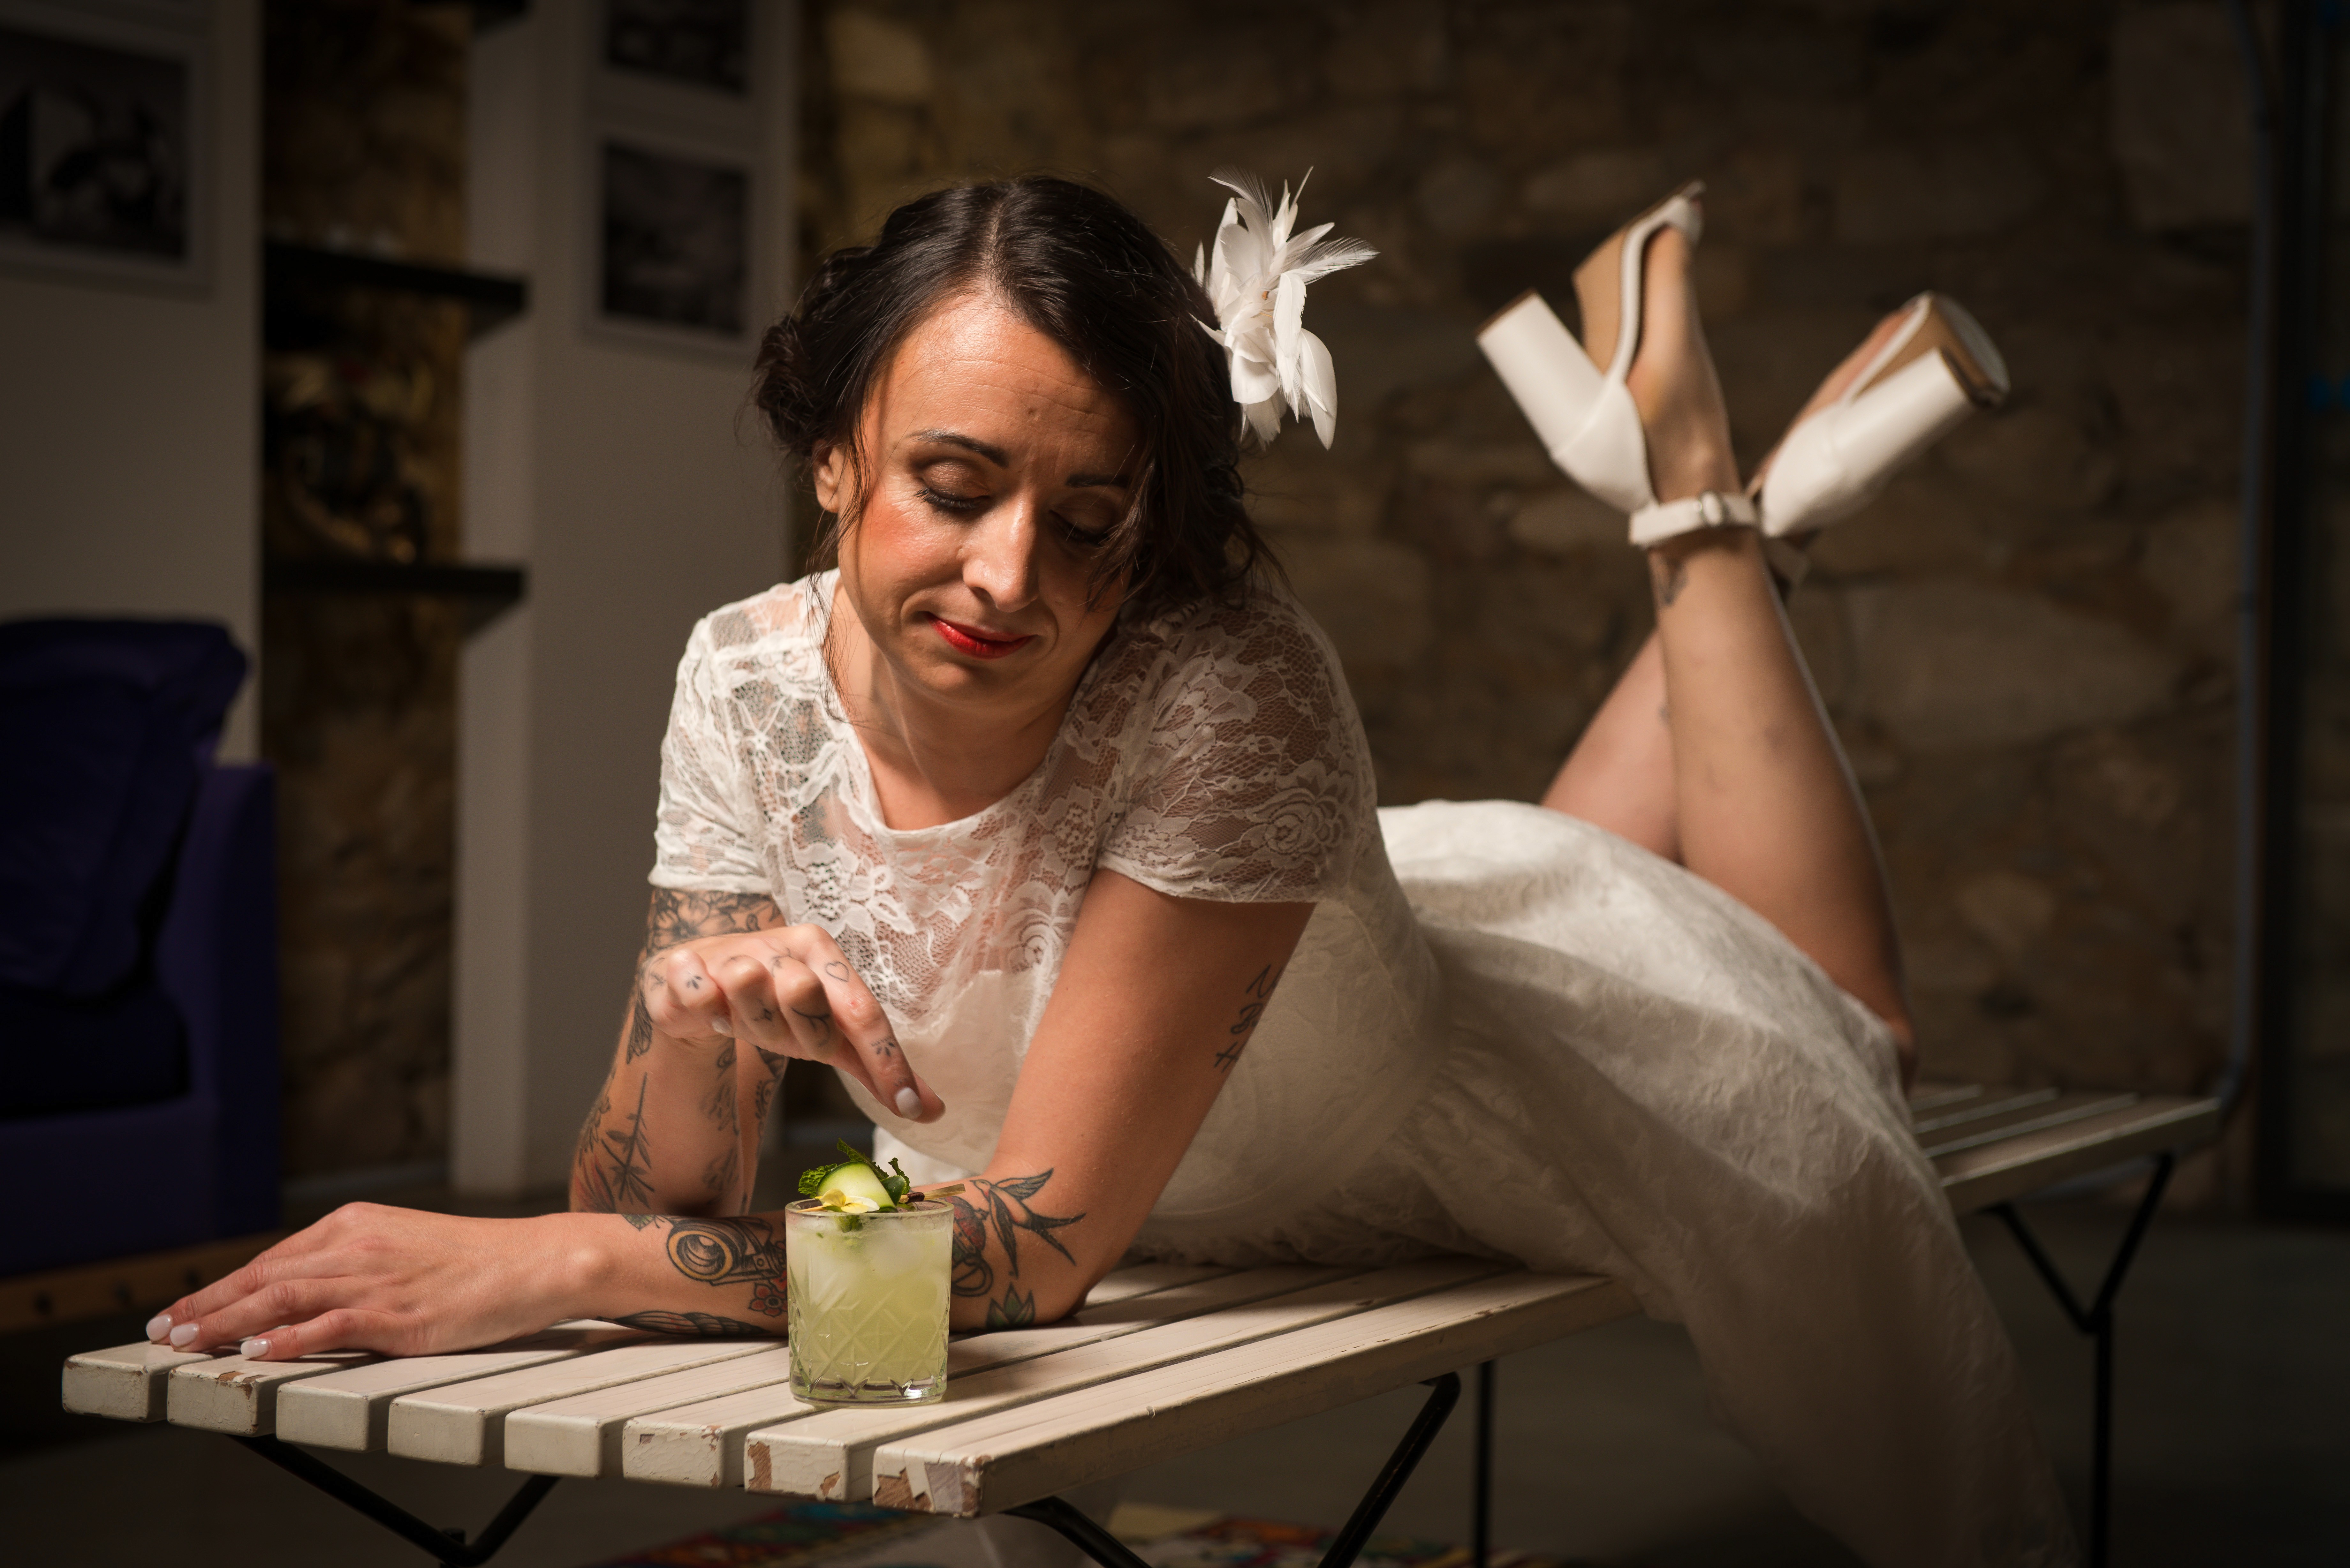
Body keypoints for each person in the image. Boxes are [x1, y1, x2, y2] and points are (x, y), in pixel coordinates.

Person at [151, 175, 2072, 1567]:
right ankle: (1728, 512)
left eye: (1091, 522)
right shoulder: (744, 670)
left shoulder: (1229, 688)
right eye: (955, 488)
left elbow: (1021, 1265)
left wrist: (556, 1263)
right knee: (1548, 849)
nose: (1012, 584)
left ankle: (1711, 507)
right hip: (1250, 984)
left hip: (1414, 1109)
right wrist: (692, 1027)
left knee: (1863, 1045)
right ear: (836, 459)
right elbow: (672, 1183)